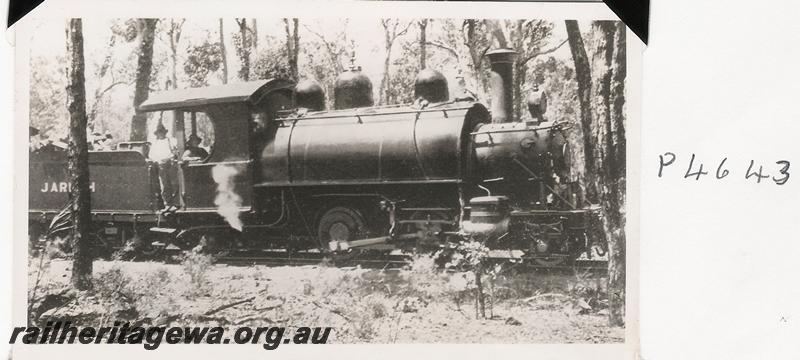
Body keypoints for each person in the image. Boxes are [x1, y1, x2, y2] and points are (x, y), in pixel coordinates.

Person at [150, 123, 179, 212]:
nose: (161, 134)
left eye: (162, 132)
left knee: (174, 183)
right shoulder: (155, 144)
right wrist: (158, 160)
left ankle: (175, 203)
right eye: (159, 132)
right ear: (157, 134)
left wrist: (171, 158)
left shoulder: (170, 141)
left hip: (170, 163)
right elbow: (151, 155)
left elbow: (175, 152)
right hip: (160, 165)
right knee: (164, 185)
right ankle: (168, 204)